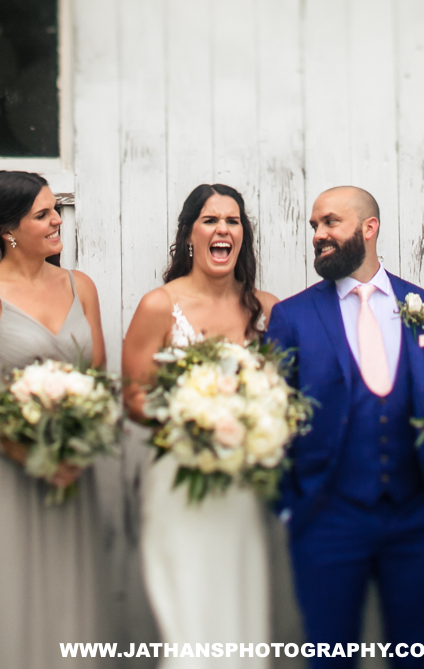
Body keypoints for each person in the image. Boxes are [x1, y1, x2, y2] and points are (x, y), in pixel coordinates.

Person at [264, 186, 424, 669]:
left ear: (368, 228)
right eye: (314, 226)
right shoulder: (292, 316)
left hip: (420, 519)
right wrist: (291, 505)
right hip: (327, 519)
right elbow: (271, 411)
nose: (318, 235)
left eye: (330, 222)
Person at [0, 171, 117, 668]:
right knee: (3, 603)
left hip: (71, 474)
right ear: (9, 231)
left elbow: (96, 379)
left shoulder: (83, 287)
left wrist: (78, 443)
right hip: (3, 473)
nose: (58, 220)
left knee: (66, 601)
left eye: (56, 209)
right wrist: (29, 453)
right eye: (43, 214)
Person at [122, 184, 287, 668]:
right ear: (190, 234)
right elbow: (133, 395)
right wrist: (190, 417)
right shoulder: (159, 305)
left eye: (232, 221)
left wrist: (257, 418)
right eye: (211, 220)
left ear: (243, 235)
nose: (223, 229)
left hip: (244, 484)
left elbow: (282, 393)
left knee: (242, 610)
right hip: (179, 479)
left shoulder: (269, 309)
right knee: (187, 616)